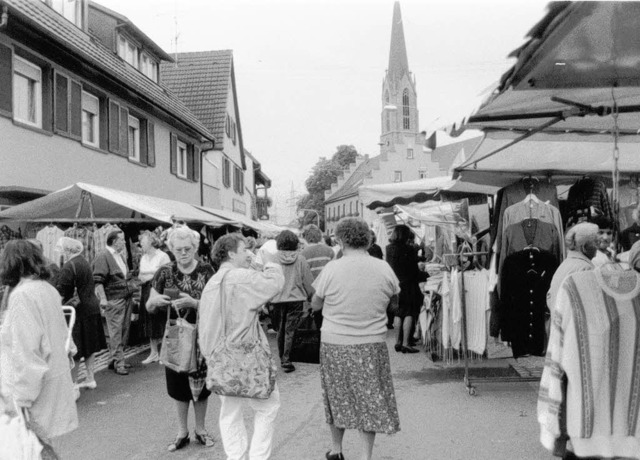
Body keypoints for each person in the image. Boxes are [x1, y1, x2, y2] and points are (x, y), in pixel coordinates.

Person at [311, 218, 401, 460]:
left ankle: (336, 449)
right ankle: (365, 456)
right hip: (371, 342)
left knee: (336, 395)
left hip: (335, 341)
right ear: (368, 240)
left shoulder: (332, 269)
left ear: (340, 240)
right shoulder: (383, 268)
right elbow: (394, 304)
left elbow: (315, 304)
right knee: (369, 397)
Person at [199, 233, 285, 460]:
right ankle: (257, 457)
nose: (249, 253)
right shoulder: (241, 277)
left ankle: (235, 456)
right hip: (248, 355)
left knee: (230, 411)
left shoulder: (213, 282)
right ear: (231, 253)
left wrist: (210, 357)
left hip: (221, 358)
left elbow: (205, 325)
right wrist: (269, 262)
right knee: (268, 406)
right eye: (244, 249)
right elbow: (275, 284)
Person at [146, 226, 216, 451]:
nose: (183, 253)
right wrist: (155, 302)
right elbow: (149, 305)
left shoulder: (206, 270)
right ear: (171, 249)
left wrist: (194, 303)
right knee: (177, 385)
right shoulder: (164, 272)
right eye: (178, 249)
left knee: (202, 385)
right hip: (175, 335)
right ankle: (182, 431)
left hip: (201, 335)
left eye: (188, 249)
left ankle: (201, 429)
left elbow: (217, 304)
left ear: (195, 248)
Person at [0, 240, 78, 442]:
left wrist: (21, 400)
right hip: (52, 383)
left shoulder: (22, 296)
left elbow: (26, 353)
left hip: (33, 393)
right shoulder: (47, 290)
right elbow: (62, 339)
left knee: (28, 448)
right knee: (42, 448)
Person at [55, 237, 107, 391]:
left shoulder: (68, 266)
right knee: (89, 345)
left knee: (75, 347)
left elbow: (61, 293)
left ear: (68, 250)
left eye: (61, 248)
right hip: (91, 306)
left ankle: (73, 383)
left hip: (78, 311)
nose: (59, 251)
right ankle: (90, 378)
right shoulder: (83, 262)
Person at [271, 230, 314, 373]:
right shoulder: (301, 259)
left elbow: (268, 279)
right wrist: (311, 297)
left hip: (276, 299)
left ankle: (281, 356)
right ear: (295, 243)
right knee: (290, 329)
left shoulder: (273, 258)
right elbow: (307, 281)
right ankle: (287, 359)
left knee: (280, 329)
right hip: (296, 299)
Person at [93, 230, 133, 375]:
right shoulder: (103, 256)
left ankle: (114, 359)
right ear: (115, 241)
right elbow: (98, 280)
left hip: (125, 296)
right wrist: (103, 299)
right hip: (114, 298)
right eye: (122, 240)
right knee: (115, 331)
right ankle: (119, 362)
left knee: (123, 329)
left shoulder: (119, 255)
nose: (124, 242)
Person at [386, 224, 427, 353]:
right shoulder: (408, 249)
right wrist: (425, 275)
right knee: (409, 312)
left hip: (395, 284)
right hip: (408, 284)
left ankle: (397, 342)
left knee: (398, 312)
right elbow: (414, 271)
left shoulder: (388, 249)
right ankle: (406, 343)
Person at [546, 223, 598, 313]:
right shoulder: (586, 268)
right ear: (584, 247)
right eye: (595, 242)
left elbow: (550, 297)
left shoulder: (565, 264)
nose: (597, 246)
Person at [137, 231, 171, 364]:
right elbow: (140, 275)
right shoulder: (143, 257)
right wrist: (151, 274)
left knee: (160, 320)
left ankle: (164, 352)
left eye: (143, 242)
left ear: (151, 241)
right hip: (146, 289)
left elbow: (166, 274)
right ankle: (153, 353)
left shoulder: (163, 256)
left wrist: (150, 275)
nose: (141, 245)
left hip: (159, 290)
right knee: (149, 321)